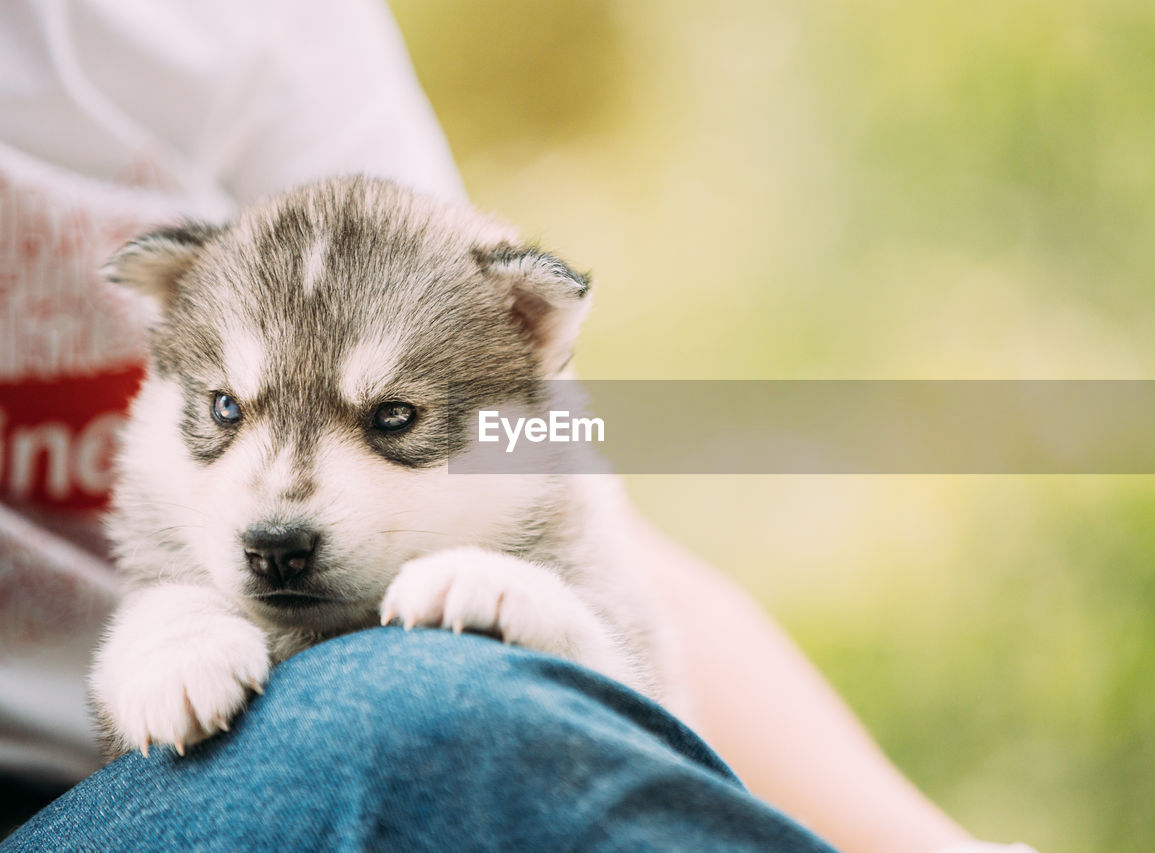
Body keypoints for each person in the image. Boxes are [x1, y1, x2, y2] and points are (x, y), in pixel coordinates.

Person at [0, 1, 1037, 850]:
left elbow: (578, 526)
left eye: (391, 419)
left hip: (323, 758)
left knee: (433, 712)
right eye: (228, 412)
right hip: (110, 784)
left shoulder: (247, 25)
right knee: (397, 715)